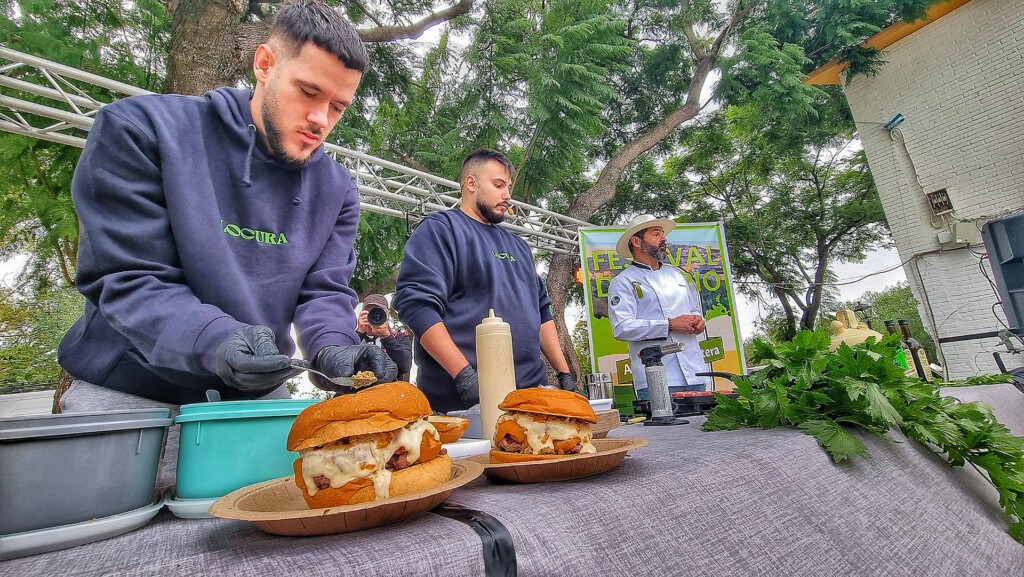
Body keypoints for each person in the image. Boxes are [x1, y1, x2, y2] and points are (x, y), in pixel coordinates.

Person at [56, 0, 396, 486]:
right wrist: (216, 340)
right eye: (308, 92)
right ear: (264, 63)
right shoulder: (142, 129)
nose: (320, 119)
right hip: (129, 399)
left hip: (255, 405)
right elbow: (129, 277)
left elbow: (323, 293)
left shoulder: (337, 189)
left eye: (338, 107)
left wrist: (336, 352)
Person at [392, 149, 577, 413]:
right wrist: (464, 377)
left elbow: (542, 312)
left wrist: (564, 375)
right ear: (471, 183)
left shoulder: (519, 246)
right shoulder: (441, 229)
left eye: (508, 187)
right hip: (462, 405)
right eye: (498, 185)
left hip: (530, 400)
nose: (507, 195)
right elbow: (417, 306)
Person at [607, 214, 709, 400]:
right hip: (657, 376)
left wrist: (699, 322)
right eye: (656, 234)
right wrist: (669, 325)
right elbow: (621, 327)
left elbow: (694, 311)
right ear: (636, 242)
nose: (663, 239)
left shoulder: (677, 276)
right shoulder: (623, 281)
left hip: (695, 372)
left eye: (663, 234)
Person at [356, 294, 413, 381]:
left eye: (379, 313)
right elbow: (341, 364)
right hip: (357, 387)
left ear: (388, 315)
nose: (375, 316)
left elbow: (405, 366)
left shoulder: (398, 337)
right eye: (369, 312)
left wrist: (386, 337)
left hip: (390, 387)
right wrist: (359, 333)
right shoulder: (353, 337)